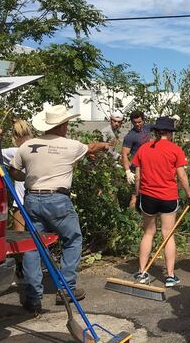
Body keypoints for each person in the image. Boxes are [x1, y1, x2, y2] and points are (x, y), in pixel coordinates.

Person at [8, 105, 112, 314]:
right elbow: (91, 147)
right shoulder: (70, 145)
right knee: (72, 239)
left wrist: (29, 177)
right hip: (58, 199)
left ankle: (33, 297)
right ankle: (66, 289)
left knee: (33, 245)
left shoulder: (27, 147)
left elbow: (13, 171)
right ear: (63, 125)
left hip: (32, 199)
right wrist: (106, 145)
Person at [130, 116, 190, 287]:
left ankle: (142, 272)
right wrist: (189, 194)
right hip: (168, 197)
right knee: (168, 234)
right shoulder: (175, 150)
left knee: (148, 233)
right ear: (170, 133)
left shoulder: (143, 149)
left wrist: (136, 195)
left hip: (148, 196)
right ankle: (170, 276)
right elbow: (181, 175)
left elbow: (137, 176)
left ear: (156, 132)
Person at [1, 119, 34, 231]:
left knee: (20, 238)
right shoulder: (38, 150)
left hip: (21, 203)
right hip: (40, 198)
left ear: (15, 137)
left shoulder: (15, 152)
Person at [121, 110, 152, 208]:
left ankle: (146, 212)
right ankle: (131, 217)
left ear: (143, 120)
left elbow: (160, 127)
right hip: (137, 167)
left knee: (150, 192)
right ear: (132, 122)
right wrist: (127, 171)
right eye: (135, 122)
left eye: (139, 122)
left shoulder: (147, 128)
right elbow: (124, 154)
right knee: (136, 194)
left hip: (149, 166)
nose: (137, 124)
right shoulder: (130, 136)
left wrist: (171, 119)